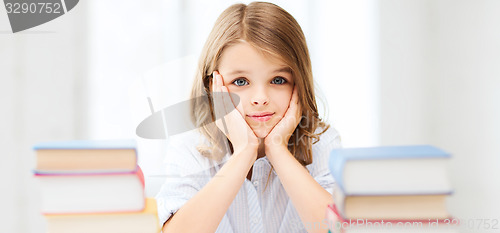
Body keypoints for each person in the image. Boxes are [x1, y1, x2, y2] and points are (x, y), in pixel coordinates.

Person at [156, 2, 341, 232]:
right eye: (241, 82)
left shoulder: (321, 143)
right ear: (212, 87)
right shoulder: (191, 145)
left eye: (278, 80)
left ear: (299, 83)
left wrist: (278, 150)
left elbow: (337, 229)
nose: (260, 98)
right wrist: (243, 152)